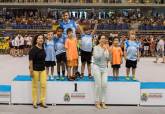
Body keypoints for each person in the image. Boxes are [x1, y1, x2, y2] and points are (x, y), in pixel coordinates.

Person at [29, 34, 48, 109]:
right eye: (39, 38)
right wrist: (31, 70)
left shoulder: (43, 48)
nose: (40, 39)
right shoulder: (33, 49)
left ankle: (42, 101)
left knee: (43, 85)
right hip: (35, 70)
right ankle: (34, 102)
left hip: (43, 70)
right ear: (36, 40)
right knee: (35, 86)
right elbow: (30, 61)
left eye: (42, 38)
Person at [93, 34, 109, 109]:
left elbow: (108, 58)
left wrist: (106, 50)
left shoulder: (106, 48)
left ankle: (103, 102)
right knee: (98, 84)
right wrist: (103, 50)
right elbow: (97, 57)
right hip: (97, 67)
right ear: (99, 40)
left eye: (104, 38)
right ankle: (97, 102)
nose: (103, 40)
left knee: (104, 84)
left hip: (104, 67)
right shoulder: (95, 47)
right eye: (102, 38)